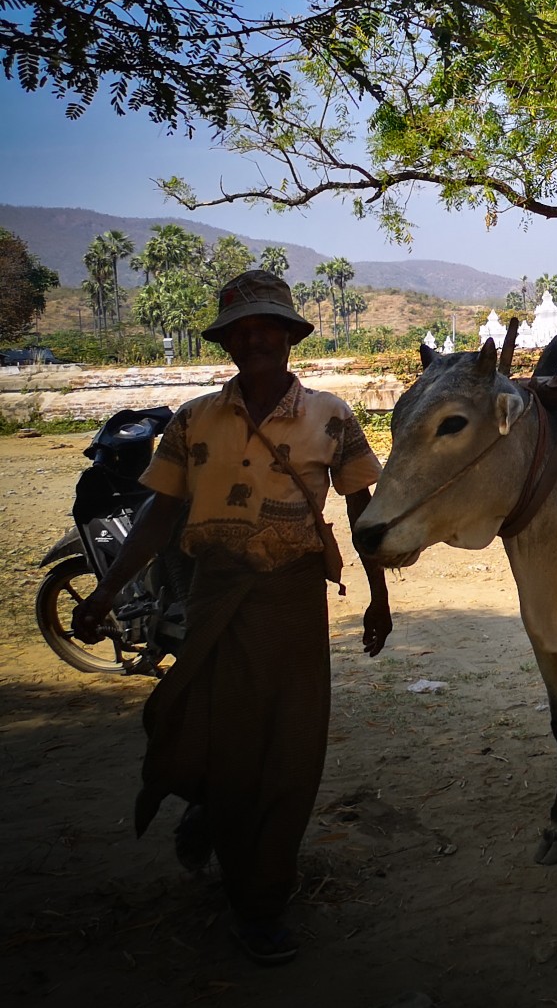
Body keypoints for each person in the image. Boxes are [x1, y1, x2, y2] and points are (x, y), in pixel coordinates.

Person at [72, 269, 391, 966]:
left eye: (266, 328)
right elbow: (161, 514)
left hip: (293, 606)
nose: (254, 340)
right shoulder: (193, 421)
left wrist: (379, 598)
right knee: (208, 731)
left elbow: (363, 509)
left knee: (289, 754)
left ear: (287, 337)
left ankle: (261, 902)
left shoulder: (333, 416)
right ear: (227, 342)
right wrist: (105, 592)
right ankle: (210, 808)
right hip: (215, 600)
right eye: (240, 330)